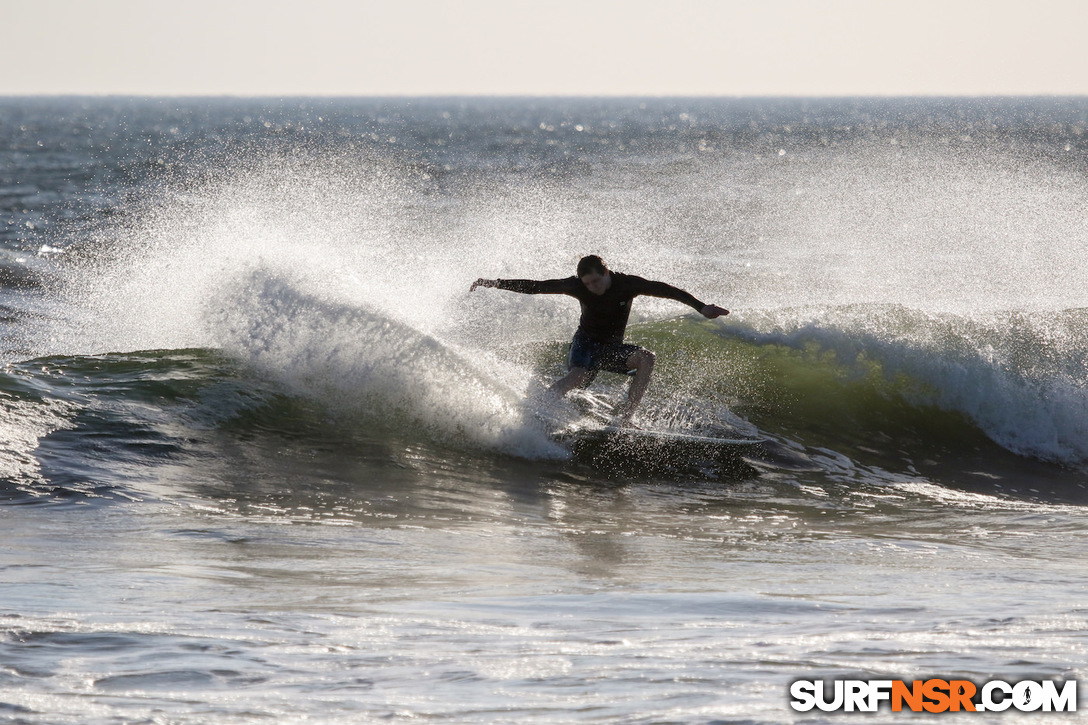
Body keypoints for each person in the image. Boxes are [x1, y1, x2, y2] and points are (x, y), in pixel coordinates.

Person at [471, 255, 729, 426]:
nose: (592, 287)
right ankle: (538, 414)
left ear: (606, 272)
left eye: (595, 281)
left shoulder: (627, 284)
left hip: (611, 348)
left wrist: (701, 307)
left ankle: (625, 420)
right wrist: (494, 283)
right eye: (587, 284)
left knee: (647, 359)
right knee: (578, 376)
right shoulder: (577, 286)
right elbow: (537, 286)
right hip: (584, 344)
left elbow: (668, 291)